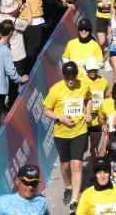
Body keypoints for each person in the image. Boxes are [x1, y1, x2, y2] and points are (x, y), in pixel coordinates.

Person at [43, 61, 93, 208]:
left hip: (80, 131)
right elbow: (46, 110)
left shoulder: (83, 86)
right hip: (61, 133)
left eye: (73, 77)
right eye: (67, 78)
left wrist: (88, 113)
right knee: (65, 166)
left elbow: (88, 99)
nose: (71, 81)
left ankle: (75, 199)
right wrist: (61, 118)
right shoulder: (55, 90)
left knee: (76, 165)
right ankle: (68, 187)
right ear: (62, 75)